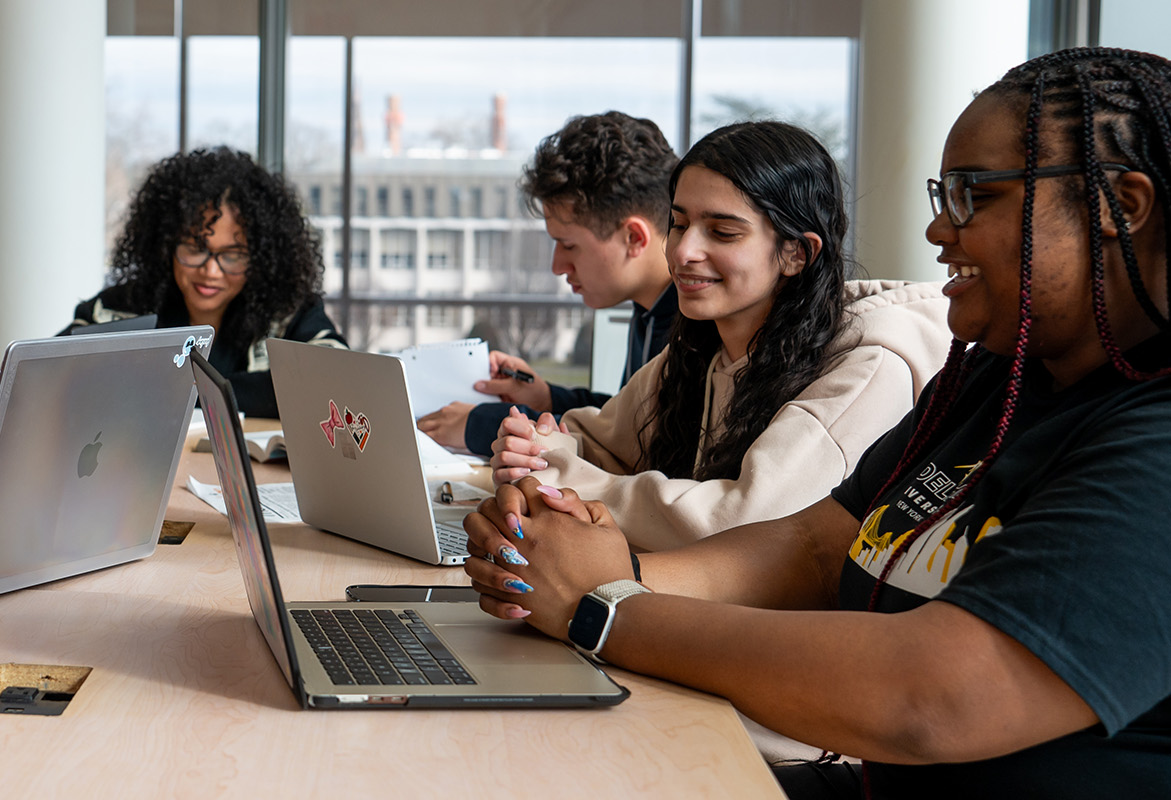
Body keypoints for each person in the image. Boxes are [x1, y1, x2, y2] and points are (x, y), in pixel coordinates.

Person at [462, 48, 1171, 798]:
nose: (938, 229)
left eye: (974, 195)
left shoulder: (1152, 435)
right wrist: (590, 567)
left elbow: (932, 698)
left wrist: (604, 608)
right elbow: (813, 546)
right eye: (943, 195)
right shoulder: (997, 376)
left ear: (1120, 206)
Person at [486, 122, 953, 550]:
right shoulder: (703, 347)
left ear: (797, 253)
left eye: (723, 232)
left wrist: (566, 472)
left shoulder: (866, 366)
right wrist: (537, 444)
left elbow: (744, 525)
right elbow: (603, 441)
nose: (683, 251)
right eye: (679, 224)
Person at [416, 112, 680, 456]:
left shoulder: (692, 330)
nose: (557, 266)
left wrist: (482, 424)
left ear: (634, 237)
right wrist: (546, 398)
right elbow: (619, 419)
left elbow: (638, 446)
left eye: (568, 245)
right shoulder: (651, 309)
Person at [67, 146, 346, 418]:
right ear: (165, 245)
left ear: (261, 258)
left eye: (233, 255)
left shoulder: (291, 311)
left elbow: (336, 380)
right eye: (195, 248)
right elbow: (55, 375)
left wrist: (171, 389)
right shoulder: (117, 308)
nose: (211, 271)